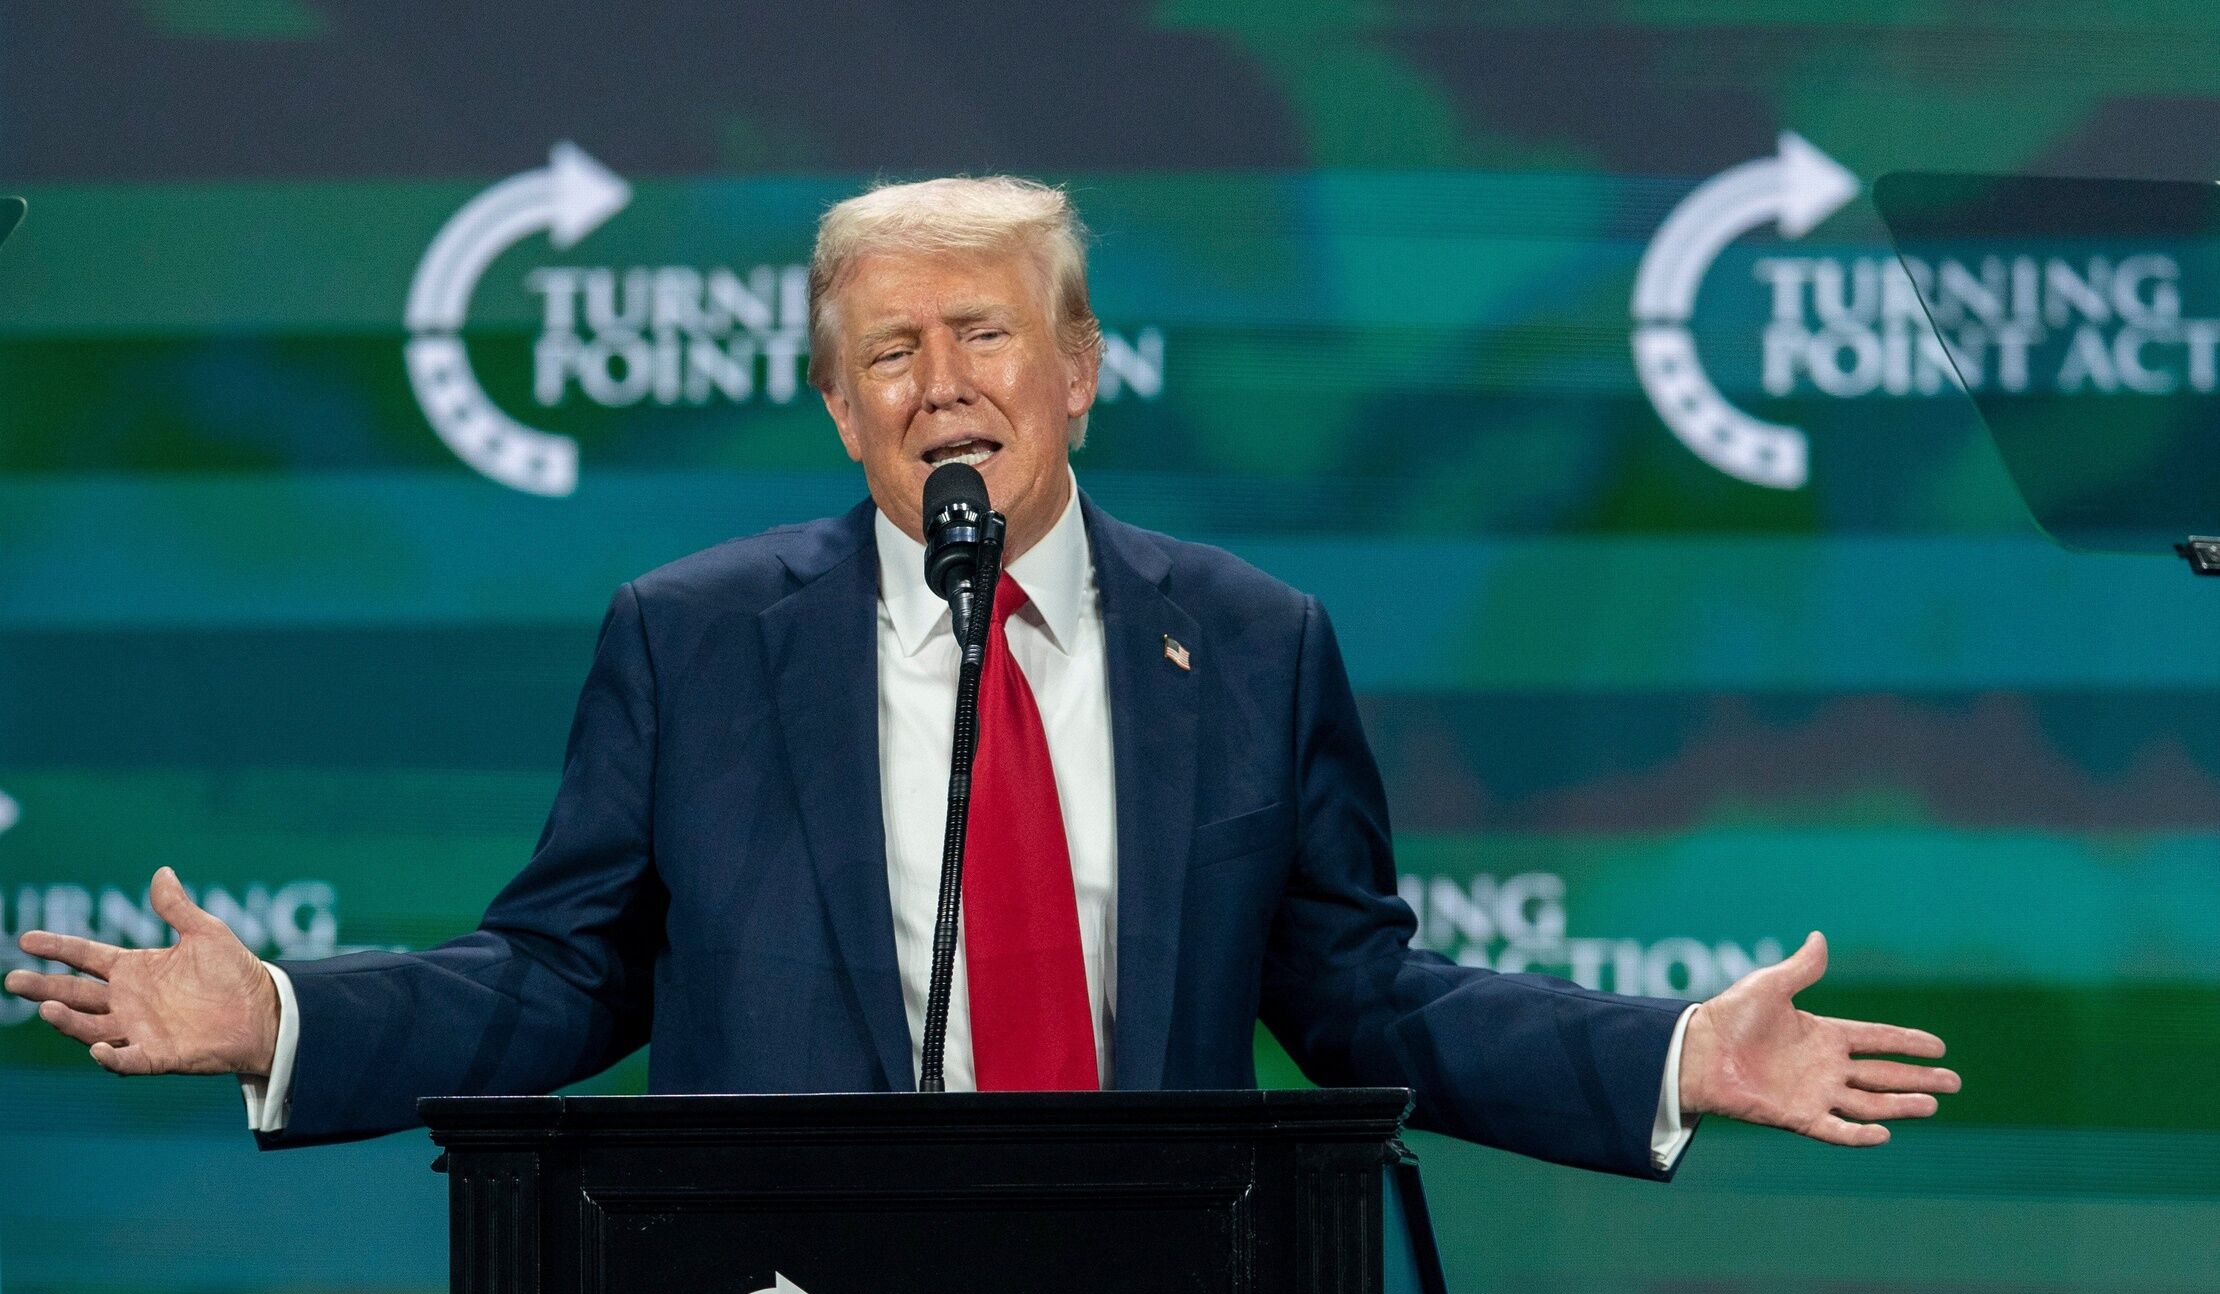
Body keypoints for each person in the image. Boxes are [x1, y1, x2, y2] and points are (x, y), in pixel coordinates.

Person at [5, 176, 1955, 1171]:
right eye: (888, 352)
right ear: (835, 406)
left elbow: (1362, 994)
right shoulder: (692, 637)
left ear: (1084, 363)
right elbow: (563, 974)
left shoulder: (1255, 645)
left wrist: (1670, 1056)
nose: (942, 382)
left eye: (986, 332)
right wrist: (277, 1013)